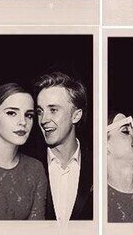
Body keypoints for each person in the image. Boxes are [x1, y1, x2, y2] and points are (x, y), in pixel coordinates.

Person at [0, 83, 47, 220]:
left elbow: (37, 227)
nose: (23, 122)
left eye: (29, 115)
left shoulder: (35, 169)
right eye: (11, 113)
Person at [34, 71, 93, 222]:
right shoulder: (29, 166)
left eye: (53, 110)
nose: (43, 120)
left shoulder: (99, 165)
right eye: (40, 111)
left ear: (76, 115)